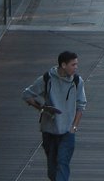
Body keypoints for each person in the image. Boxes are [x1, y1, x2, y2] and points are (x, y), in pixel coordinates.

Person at [24, 51, 86, 181]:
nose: (76, 67)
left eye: (77, 64)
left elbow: (81, 105)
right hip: (49, 130)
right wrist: (42, 108)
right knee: (52, 168)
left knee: (62, 163)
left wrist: (74, 127)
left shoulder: (77, 81)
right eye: (73, 64)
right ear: (63, 65)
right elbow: (27, 95)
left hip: (68, 131)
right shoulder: (46, 79)